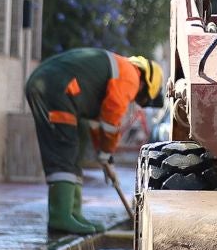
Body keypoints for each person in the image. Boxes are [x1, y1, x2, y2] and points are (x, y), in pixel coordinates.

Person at [25, 49, 165, 234]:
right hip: (55, 90)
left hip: (60, 92)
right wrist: (105, 153)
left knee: (77, 146)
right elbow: (111, 120)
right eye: (143, 99)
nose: (137, 102)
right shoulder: (130, 76)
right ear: (146, 84)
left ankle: (73, 213)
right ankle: (60, 216)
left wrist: (106, 158)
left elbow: (96, 125)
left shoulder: (117, 73)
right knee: (64, 148)